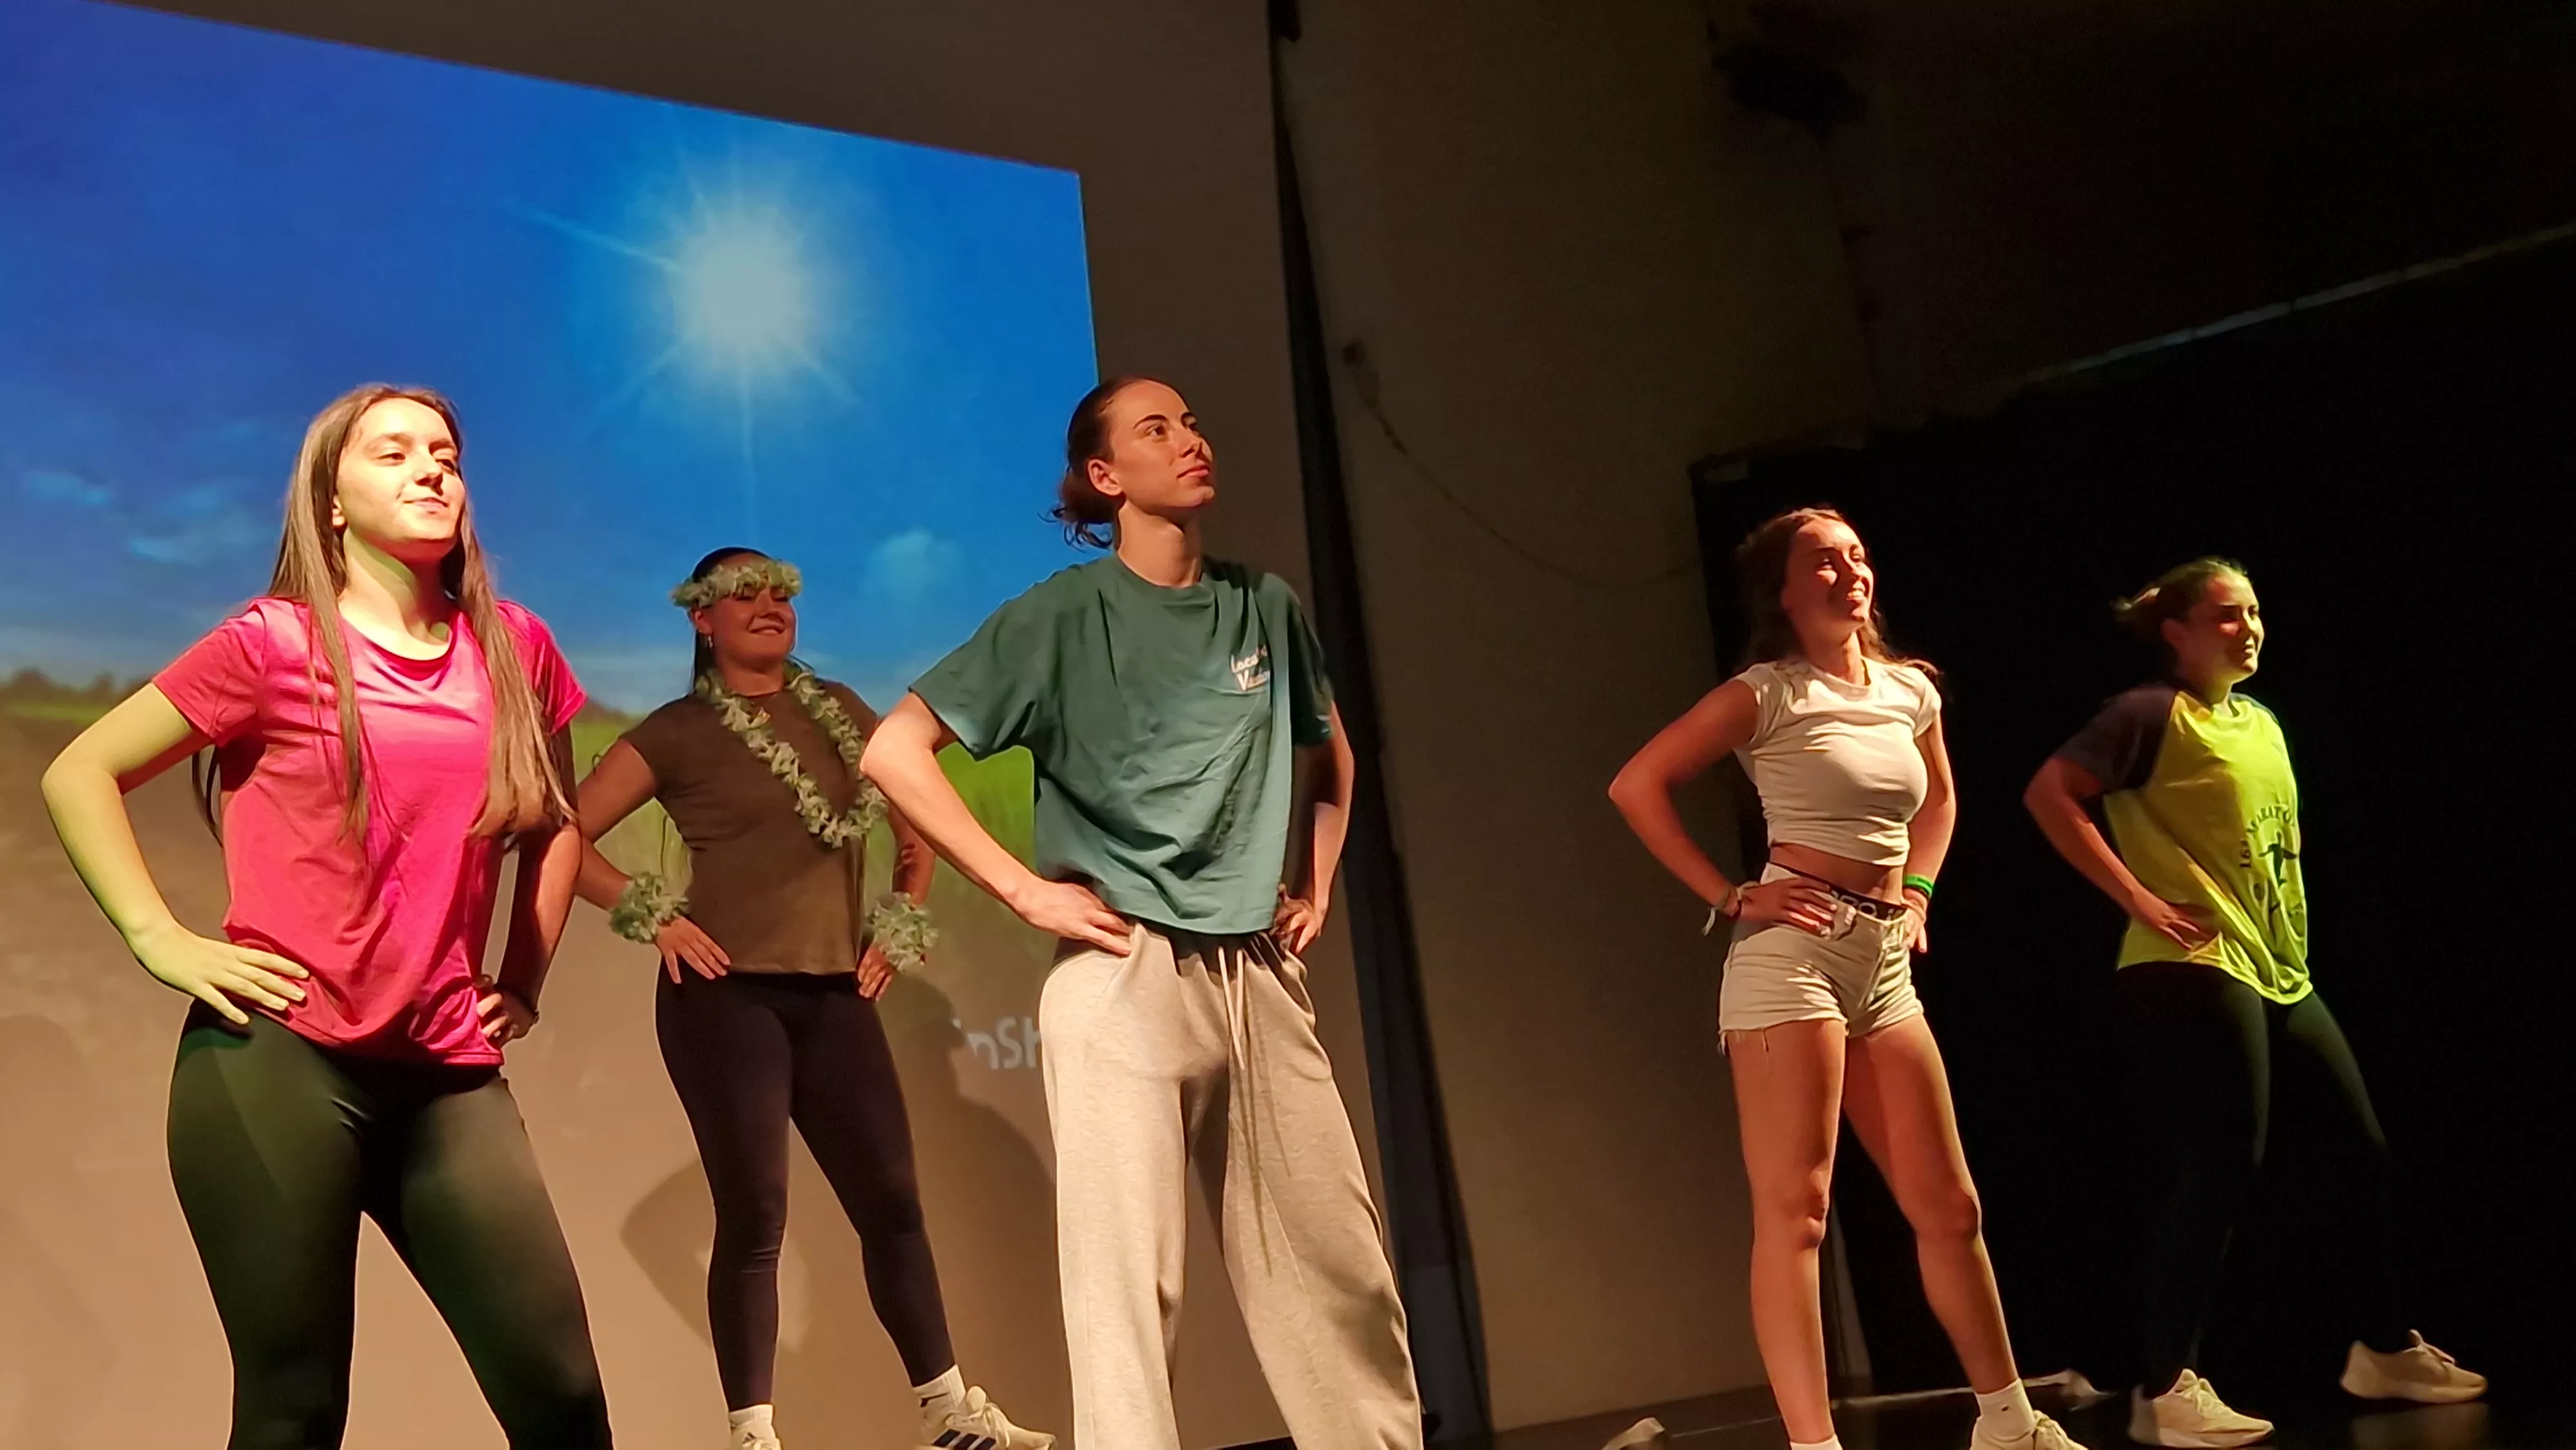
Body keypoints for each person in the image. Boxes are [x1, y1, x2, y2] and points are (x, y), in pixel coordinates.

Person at [39, 384, 611, 1448]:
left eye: (445, 452)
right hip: (277, 1062)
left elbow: (558, 820)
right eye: (393, 453)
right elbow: (81, 770)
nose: (430, 469)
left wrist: (522, 976)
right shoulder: (271, 644)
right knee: (295, 1410)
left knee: (564, 1402)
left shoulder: (516, 647)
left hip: (446, 1073)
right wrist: (157, 937)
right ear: (333, 500)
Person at [858, 377, 1423, 1450]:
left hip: (1256, 973)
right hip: (1125, 972)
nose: (1191, 440)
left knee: (1339, 1272)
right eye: (1156, 429)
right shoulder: (1062, 618)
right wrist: (1022, 889)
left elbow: (1333, 754)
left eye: (1194, 421)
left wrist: (1321, 878)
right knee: (1125, 1294)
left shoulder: (1266, 605)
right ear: (1107, 477)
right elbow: (895, 750)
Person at [1610, 506, 2081, 1450]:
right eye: (1821, 561)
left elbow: (1940, 798)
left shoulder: (1911, 691)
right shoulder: (1769, 692)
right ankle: (1813, 1444)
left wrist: (1918, 894)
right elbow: (1637, 784)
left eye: (1858, 556)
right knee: (1798, 1211)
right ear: (1782, 593)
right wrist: (1733, 894)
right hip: (1795, 956)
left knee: (1949, 1204)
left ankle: (2008, 1421)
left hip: (1881, 960)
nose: (1847, 572)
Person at [571, 547, 1050, 1450]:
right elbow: (567, 831)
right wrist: (657, 918)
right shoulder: (675, 731)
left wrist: (897, 929)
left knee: (892, 1204)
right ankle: (753, 1433)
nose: (767, 606)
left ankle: (948, 1413)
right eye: (741, 594)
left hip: (833, 997)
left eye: (780, 592)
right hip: (725, 1001)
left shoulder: (843, 714)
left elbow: (919, 841)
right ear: (700, 619)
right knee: (755, 1213)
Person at [2023, 558, 2485, 1447]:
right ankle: (2164, 1390)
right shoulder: (2151, 714)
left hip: (2280, 967)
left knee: (2363, 1153)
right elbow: (2051, 795)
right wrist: (2140, 899)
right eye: (2228, 616)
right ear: (2178, 634)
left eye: (2255, 614)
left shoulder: (2262, 723)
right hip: (2187, 964)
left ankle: (2383, 1350)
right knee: (2220, 1168)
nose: (2249, 629)